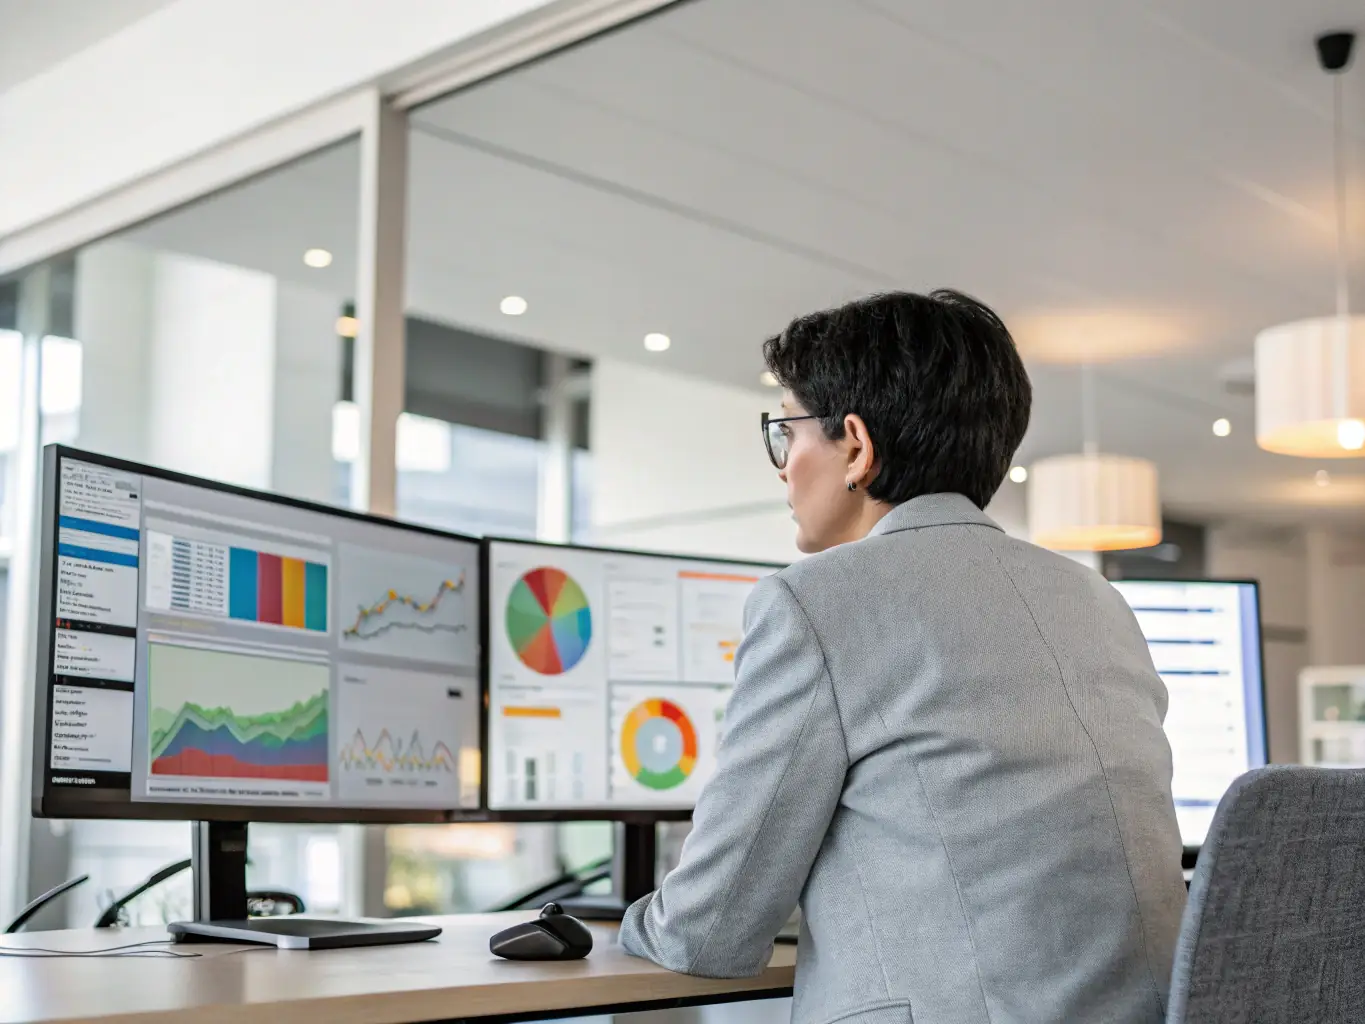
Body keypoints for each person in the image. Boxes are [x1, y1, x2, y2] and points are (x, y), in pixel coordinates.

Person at [618, 290, 1186, 1024]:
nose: (783, 468)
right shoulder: (1096, 599)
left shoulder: (818, 600)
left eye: (785, 433)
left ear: (854, 445)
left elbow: (707, 931)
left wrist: (619, 923)